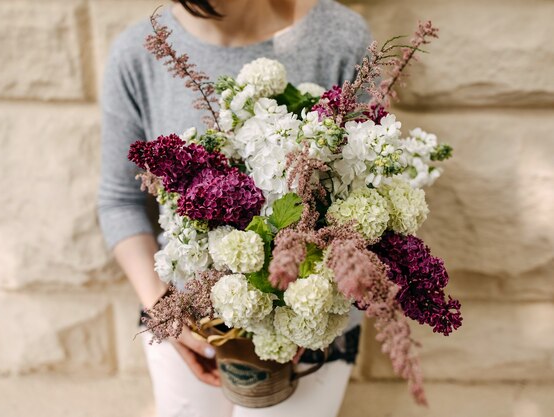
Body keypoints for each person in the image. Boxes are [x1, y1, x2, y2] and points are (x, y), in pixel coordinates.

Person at [97, 1, 372, 416]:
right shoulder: (137, 53)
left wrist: (305, 311)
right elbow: (119, 201)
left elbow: (369, 197)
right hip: (186, 324)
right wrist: (163, 309)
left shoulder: (340, 38)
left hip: (311, 332)